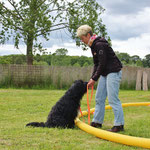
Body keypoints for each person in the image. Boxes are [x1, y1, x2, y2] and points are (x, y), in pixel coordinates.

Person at [77, 25, 124, 132]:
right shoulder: (92, 45)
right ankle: (97, 122)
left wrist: (94, 79)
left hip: (113, 72)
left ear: (88, 35)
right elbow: (96, 64)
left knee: (113, 99)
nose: (82, 40)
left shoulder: (99, 45)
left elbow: (102, 64)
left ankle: (119, 124)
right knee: (99, 98)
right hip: (104, 73)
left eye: (82, 38)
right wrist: (92, 78)